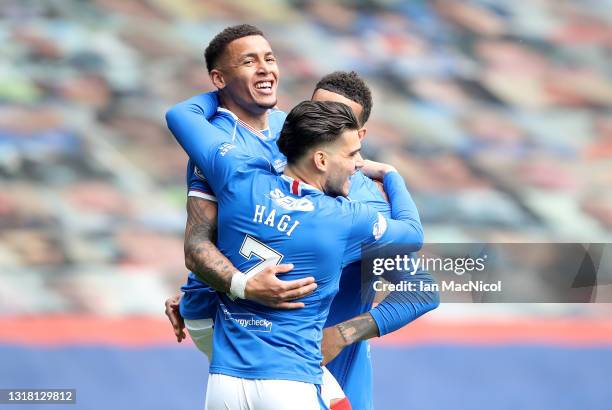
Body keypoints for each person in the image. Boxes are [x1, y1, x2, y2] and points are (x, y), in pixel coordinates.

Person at [165, 25, 439, 409]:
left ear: (358, 135)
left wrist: (342, 334)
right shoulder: (263, 147)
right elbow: (217, 236)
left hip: (331, 363)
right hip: (266, 356)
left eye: (338, 118)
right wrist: (203, 286)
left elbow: (421, 289)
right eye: (316, 110)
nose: (323, 122)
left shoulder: (361, 198)